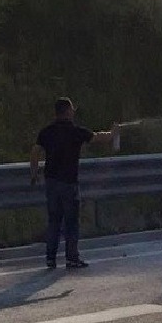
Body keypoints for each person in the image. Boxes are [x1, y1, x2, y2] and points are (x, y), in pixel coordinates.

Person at [30, 97, 119, 269]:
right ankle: (72, 257)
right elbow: (98, 138)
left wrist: (34, 173)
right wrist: (113, 133)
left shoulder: (46, 132)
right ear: (68, 111)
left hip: (51, 183)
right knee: (71, 222)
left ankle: (50, 258)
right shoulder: (75, 131)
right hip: (69, 183)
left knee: (54, 221)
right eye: (72, 109)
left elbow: (35, 152)